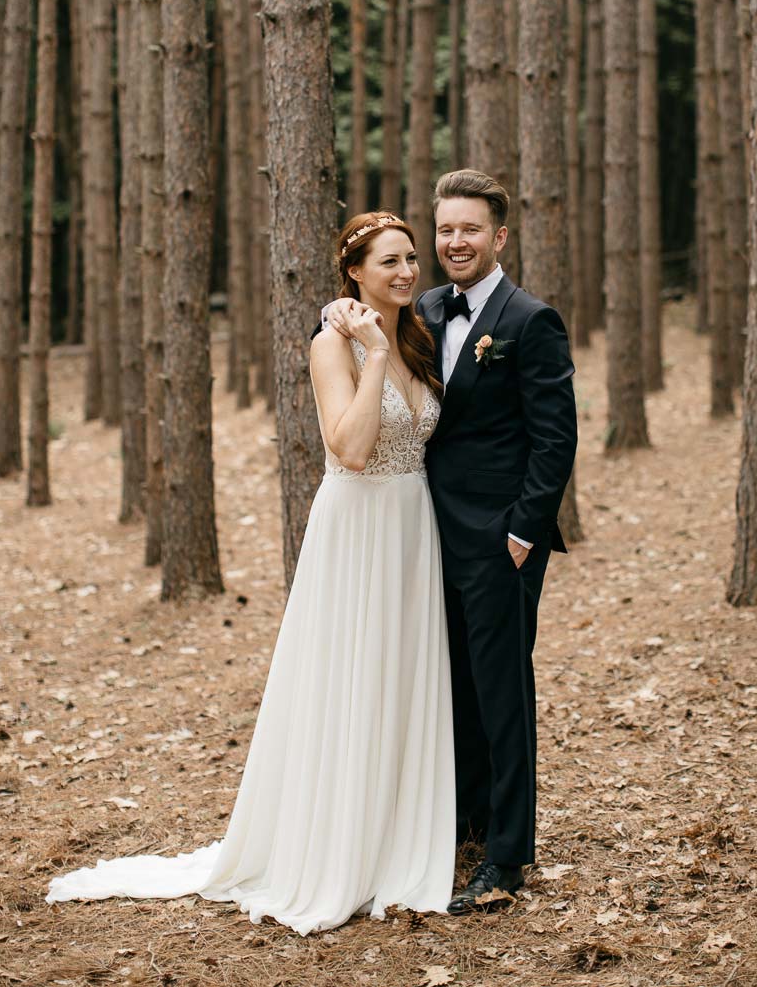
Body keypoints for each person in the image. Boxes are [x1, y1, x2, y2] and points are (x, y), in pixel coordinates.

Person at [47, 211, 455, 934]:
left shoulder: (422, 332)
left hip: (412, 529)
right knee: (352, 679)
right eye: (389, 261)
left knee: (402, 678)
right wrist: (372, 356)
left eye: (411, 259)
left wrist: (394, 346)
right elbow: (352, 447)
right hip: (357, 529)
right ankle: (337, 850)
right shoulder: (333, 344)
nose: (406, 271)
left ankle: (399, 840)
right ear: (354, 272)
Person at [324, 169, 576, 913]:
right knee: (450, 688)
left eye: (470, 229)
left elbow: (555, 440)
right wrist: (344, 307)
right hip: (423, 536)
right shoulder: (424, 307)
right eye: (445, 230)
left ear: (499, 236)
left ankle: (506, 854)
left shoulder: (531, 320)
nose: (454, 241)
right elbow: (371, 331)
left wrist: (524, 533)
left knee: (502, 693)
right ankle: (462, 821)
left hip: (501, 544)